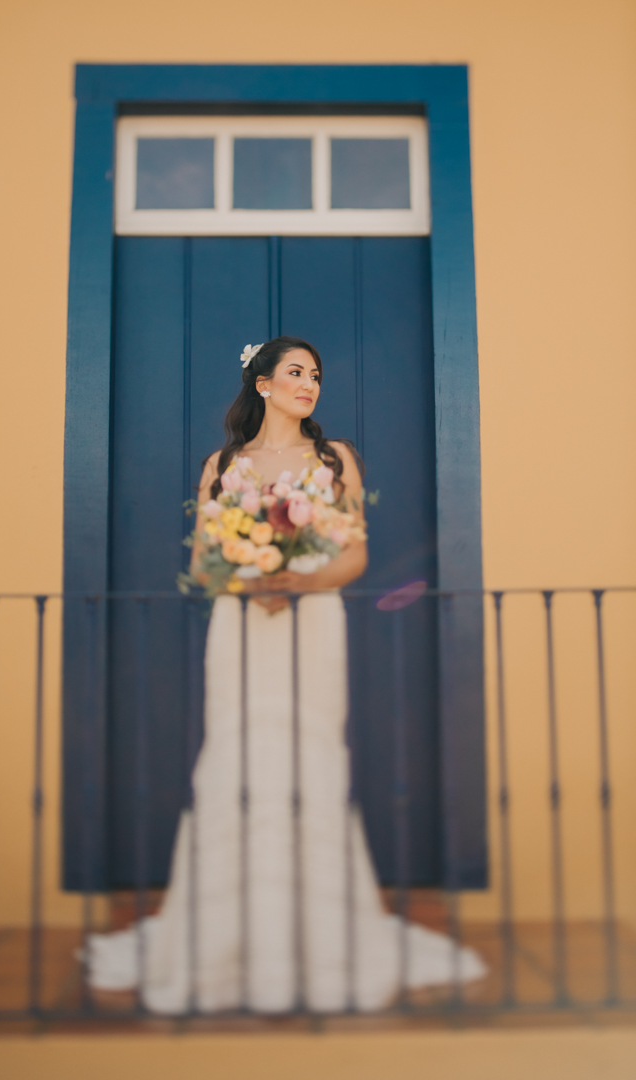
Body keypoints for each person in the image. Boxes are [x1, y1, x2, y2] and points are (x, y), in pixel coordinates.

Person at [88, 336, 485, 1012]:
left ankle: (321, 941)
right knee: (236, 758)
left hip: (311, 624)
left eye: (318, 375)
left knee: (310, 757)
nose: (311, 384)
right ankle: (221, 943)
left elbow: (355, 556)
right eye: (297, 373)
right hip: (242, 627)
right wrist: (252, 581)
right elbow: (209, 562)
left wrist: (293, 579)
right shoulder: (224, 464)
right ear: (264, 384)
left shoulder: (335, 461)